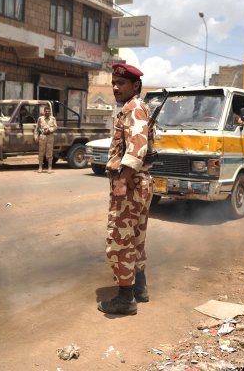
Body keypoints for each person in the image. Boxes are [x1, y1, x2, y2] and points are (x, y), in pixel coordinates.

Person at [98, 63, 154, 316]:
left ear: (135, 86)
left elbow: (137, 146)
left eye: (121, 83)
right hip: (139, 183)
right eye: (114, 82)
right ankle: (139, 288)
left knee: (119, 240)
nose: (115, 87)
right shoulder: (134, 109)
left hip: (130, 183)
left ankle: (125, 298)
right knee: (135, 238)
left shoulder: (133, 109)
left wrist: (122, 180)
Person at [34, 105, 57, 173]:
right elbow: (36, 129)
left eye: (48, 111)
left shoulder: (53, 119)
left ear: (50, 112)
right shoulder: (40, 119)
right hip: (42, 137)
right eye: (46, 111)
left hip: (50, 137)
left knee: (49, 153)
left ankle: (49, 167)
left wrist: (50, 129)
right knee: (41, 152)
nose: (47, 112)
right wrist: (36, 136)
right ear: (44, 112)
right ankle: (40, 167)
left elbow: (56, 127)